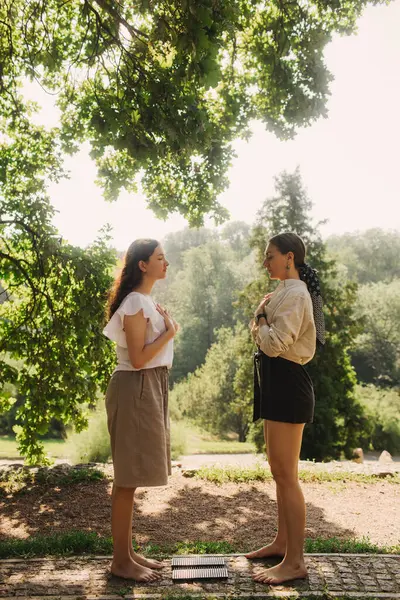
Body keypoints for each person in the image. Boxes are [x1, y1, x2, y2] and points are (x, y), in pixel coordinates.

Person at [245, 231, 325, 585]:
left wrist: (261, 321)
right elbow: (262, 333)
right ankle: (281, 543)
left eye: (270, 255)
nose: (266, 262)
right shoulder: (283, 292)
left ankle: (295, 562)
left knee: (287, 476)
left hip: (288, 385)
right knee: (279, 471)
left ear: (289, 257)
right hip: (275, 384)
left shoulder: (295, 295)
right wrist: (261, 320)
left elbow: (274, 343)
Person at [103, 239, 178, 581]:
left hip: (148, 386)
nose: (166, 262)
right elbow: (137, 357)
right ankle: (120, 561)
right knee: (127, 478)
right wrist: (171, 333)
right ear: (143, 265)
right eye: (160, 258)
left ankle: (128, 553)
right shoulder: (135, 302)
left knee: (130, 477)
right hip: (136, 386)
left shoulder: (144, 301)